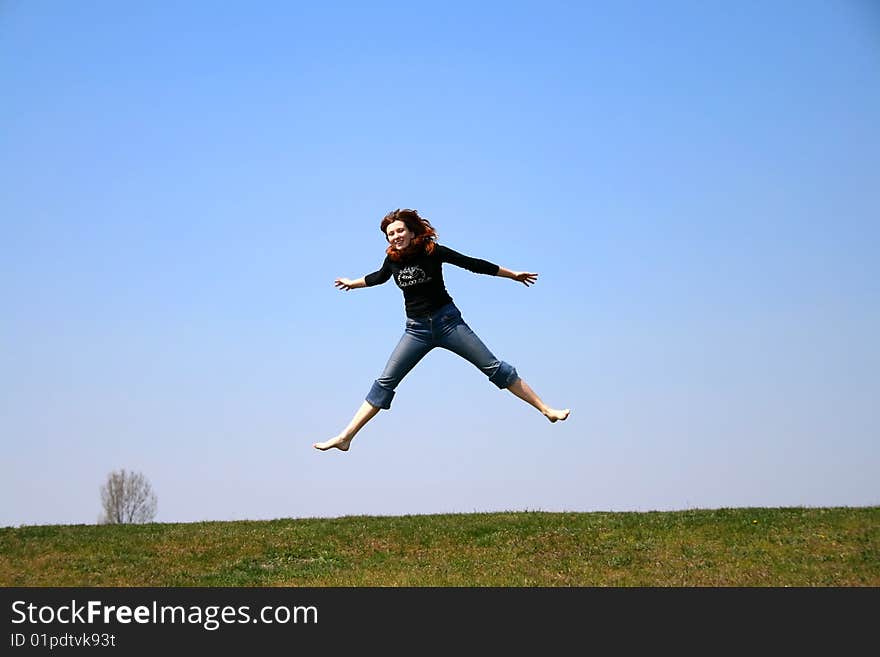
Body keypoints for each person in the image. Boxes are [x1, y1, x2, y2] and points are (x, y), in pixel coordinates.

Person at [313, 208, 570, 452]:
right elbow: (378, 277)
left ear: (412, 232)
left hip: (449, 323)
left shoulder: (432, 251)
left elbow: (473, 264)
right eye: (391, 234)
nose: (396, 237)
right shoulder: (392, 260)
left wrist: (512, 274)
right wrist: (352, 283)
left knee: (493, 367)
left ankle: (546, 409)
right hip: (416, 330)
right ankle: (346, 437)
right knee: (385, 382)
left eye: (400, 231)